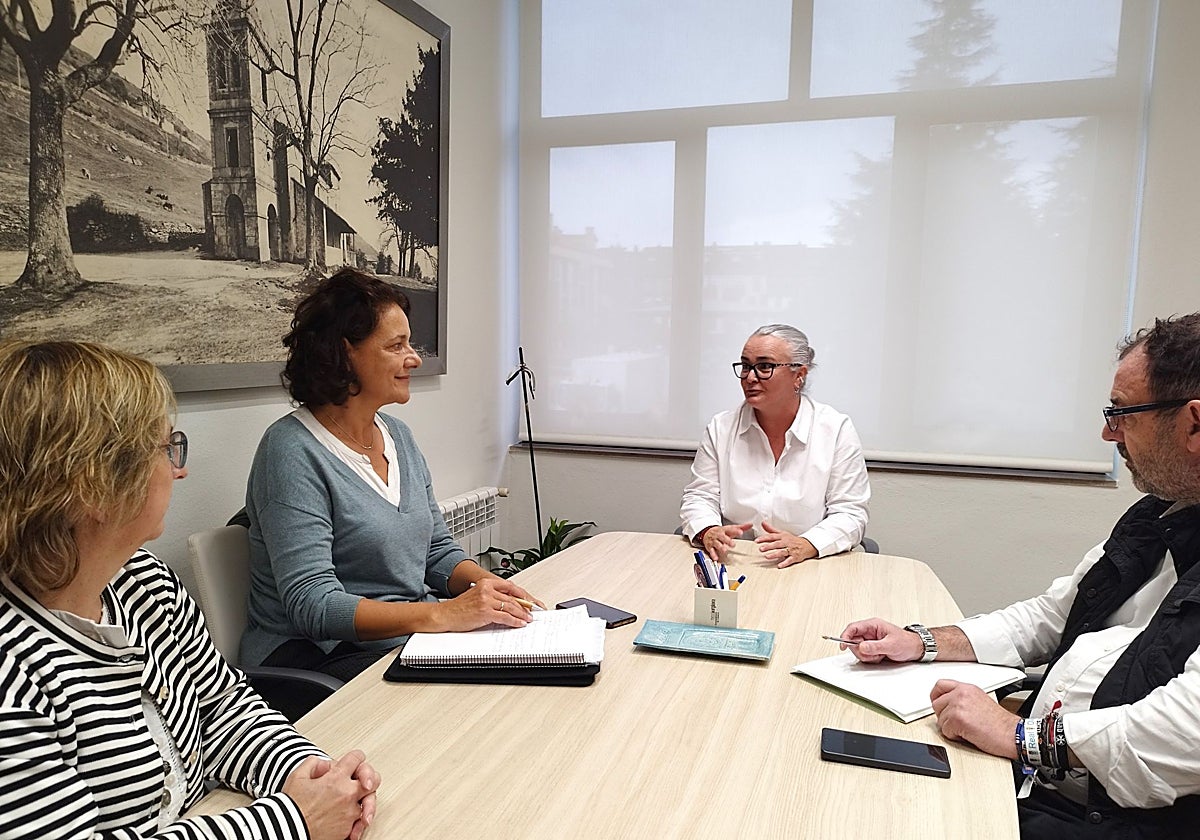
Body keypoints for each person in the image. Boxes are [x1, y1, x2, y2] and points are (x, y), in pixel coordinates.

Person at [839, 313, 1200, 839]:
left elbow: (1180, 736)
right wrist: (921, 641)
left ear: (1193, 423)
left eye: (1123, 413)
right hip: (1033, 779)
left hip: (1106, 819)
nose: (1107, 432)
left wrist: (1018, 733)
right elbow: (1052, 616)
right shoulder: (1160, 514)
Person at [0, 340, 379, 840]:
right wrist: (294, 820)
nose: (180, 469)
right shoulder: (14, 672)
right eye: (166, 448)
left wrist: (308, 774)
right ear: (92, 486)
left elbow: (223, 708)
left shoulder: (144, 582)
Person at [243, 268, 542, 680]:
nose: (415, 357)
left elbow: (435, 551)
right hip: (318, 659)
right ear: (345, 353)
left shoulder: (398, 436)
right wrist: (442, 615)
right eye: (396, 345)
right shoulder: (290, 452)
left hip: (401, 640)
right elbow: (313, 604)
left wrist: (487, 587)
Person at [680, 324, 870, 567]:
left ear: (799, 375)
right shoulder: (721, 427)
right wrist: (708, 530)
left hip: (807, 564)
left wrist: (809, 545)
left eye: (764, 367)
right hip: (734, 562)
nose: (750, 377)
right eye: (746, 366)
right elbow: (699, 496)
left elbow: (851, 513)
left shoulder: (835, 430)